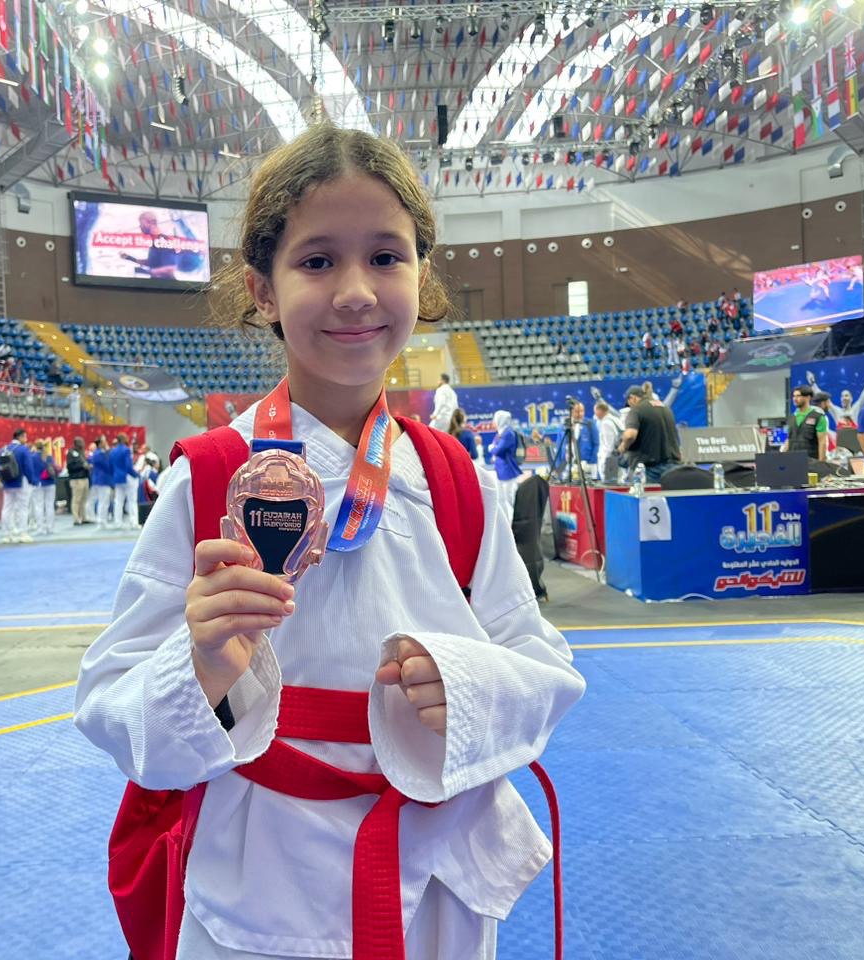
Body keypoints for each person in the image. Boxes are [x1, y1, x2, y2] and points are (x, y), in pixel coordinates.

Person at [72, 123, 584, 960]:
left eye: (386, 257)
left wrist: (468, 682)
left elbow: (542, 663)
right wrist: (198, 668)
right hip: (262, 877)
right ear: (263, 290)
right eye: (316, 261)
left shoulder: (457, 484)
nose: (355, 291)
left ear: (422, 275)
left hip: (435, 877)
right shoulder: (210, 478)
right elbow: (109, 700)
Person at [617, 385, 681, 482]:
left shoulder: (637, 410)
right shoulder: (665, 408)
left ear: (633, 398)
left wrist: (623, 446)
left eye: (629, 403)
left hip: (649, 469)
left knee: (648, 496)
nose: (630, 406)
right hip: (672, 466)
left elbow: (630, 435)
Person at [488, 409, 524, 520]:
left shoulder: (508, 433)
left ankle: (516, 519)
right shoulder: (500, 432)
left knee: (510, 497)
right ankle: (506, 520)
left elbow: (498, 450)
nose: (493, 422)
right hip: (500, 470)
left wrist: (492, 448)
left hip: (508, 470)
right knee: (501, 498)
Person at [0, 428, 33, 543]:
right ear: (21, 437)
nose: (26, 439)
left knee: (7, 508)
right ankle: (23, 534)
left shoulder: (3, 449)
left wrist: (3, 480)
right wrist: (32, 480)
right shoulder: (23, 450)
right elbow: (28, 467)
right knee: (23, 508)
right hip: (21, 481)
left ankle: (6, 535)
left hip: (8, 482)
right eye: (25, 437)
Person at [782, 384, 827, 461]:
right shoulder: (791, 418)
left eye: (798, 396)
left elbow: (822, 442)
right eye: (794, 396)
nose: (795, 399)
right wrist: (781, 456)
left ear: (808, 397)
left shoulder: (818, 417)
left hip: (811, 461)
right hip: (792, 461)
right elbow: (789, 440)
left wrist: (821, 463)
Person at [109, 432, 138, 529]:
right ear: (124, 439)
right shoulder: (126, 450)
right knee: (132, 501)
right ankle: (133, 522)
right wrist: (136, 475)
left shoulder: (113, 451)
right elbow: (128, 466)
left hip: (117, 477)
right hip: (127, 477)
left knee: (118, 501)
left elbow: (111, 466)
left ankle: (118, 522)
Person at [593, 400, 623, 483]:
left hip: (610, 461)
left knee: (609, 486)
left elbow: (609, 445)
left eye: (595, 412)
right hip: (617, 458)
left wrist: (604, 463)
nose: (595, 414)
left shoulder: (606, 423)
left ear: (600, 410)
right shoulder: (615, 420)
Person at [32, 439, 58, 535]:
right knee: (49, 506)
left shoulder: (33, 457)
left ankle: (40, 528)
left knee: (39, 506)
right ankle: (50, 527)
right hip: (50, 483)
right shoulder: (49, 457)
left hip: (38, 484)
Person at [88, 435, 114, 527]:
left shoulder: (96, 453)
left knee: (102, 501)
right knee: (104, 501)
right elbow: (107, 466)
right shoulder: (100, 454)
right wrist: (108, 453)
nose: (106, 443)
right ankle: (102, 520)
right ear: (100, 444)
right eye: (104, 442)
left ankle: (101, 519)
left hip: (98, 480)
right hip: (103, 480)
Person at [66, 436, 91, 526]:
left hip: (84, 478)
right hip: (76, 479)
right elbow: (70, 467)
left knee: (84, 499)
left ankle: (83, 517)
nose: (83, 444)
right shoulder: (71, 453)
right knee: (76, 499)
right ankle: (76, 519)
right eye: (81, 442)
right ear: (76, 444)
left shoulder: (82, 453)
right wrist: (82, 466)